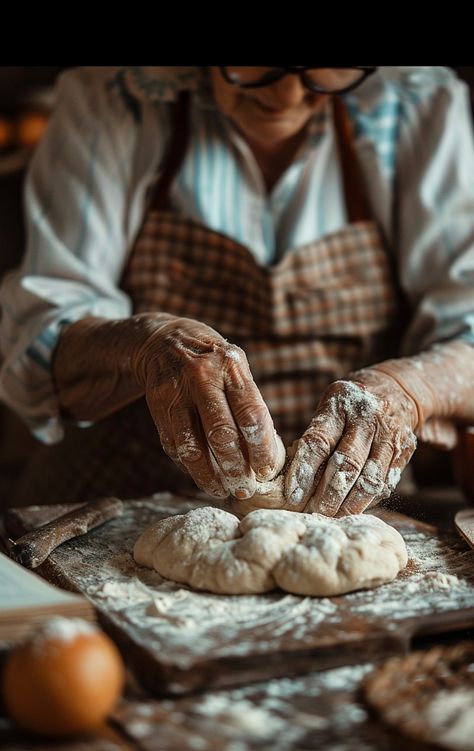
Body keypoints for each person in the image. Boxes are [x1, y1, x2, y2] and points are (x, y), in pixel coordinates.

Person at [1, 65, 474, 514]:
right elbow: (41, 337)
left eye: (324, 68)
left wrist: (407, 391)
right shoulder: (120, 97)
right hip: (119, 493)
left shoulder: (416, 103)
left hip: (346, 504)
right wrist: (142, 345)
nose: (286, 94)